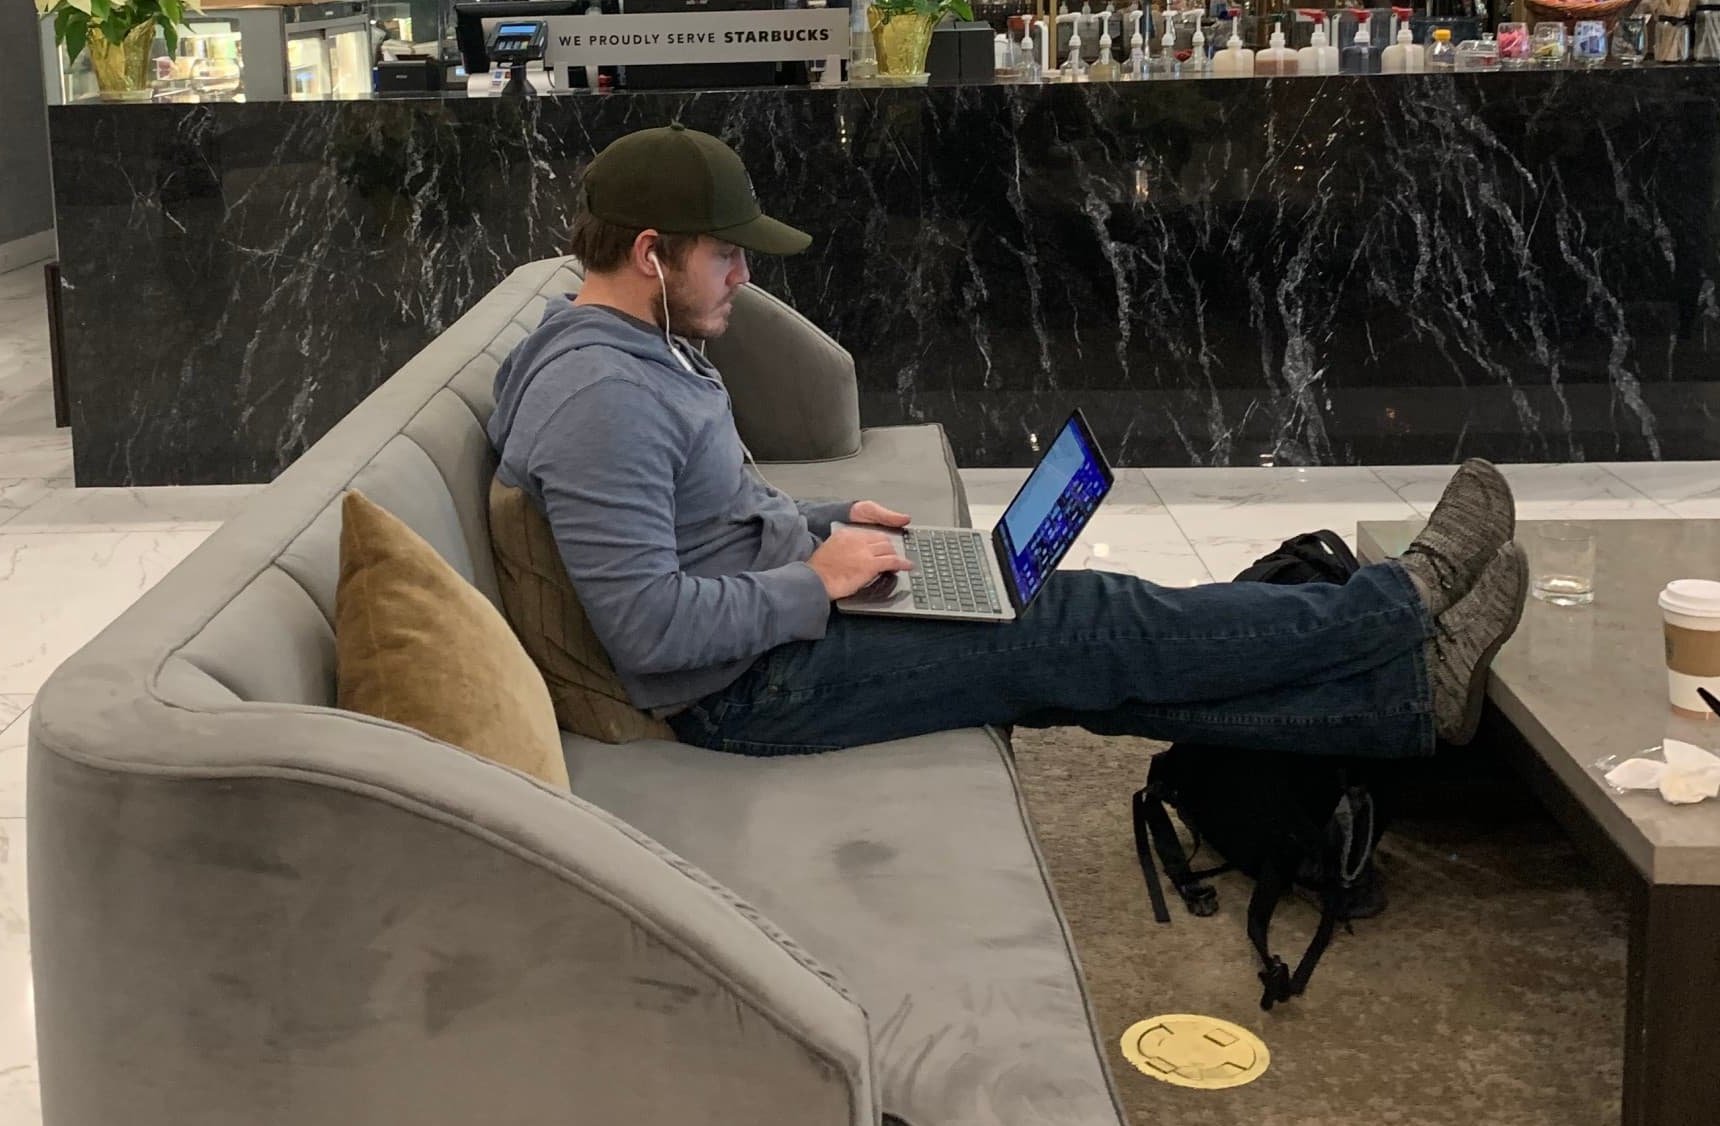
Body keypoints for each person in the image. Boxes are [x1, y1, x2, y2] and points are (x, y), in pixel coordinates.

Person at [488, 124, 1528, 762]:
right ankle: (1399, 604)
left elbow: (707, 516)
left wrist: (829, 523)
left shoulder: (639, 347)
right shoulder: (601, 398)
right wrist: (816, 580)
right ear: (649, 254)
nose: (743, 278)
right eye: (726, 255)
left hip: (772, 629)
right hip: (745, 691)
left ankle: (1402, 699)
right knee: (1086, 618)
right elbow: (650, 631)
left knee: (1082, 645)